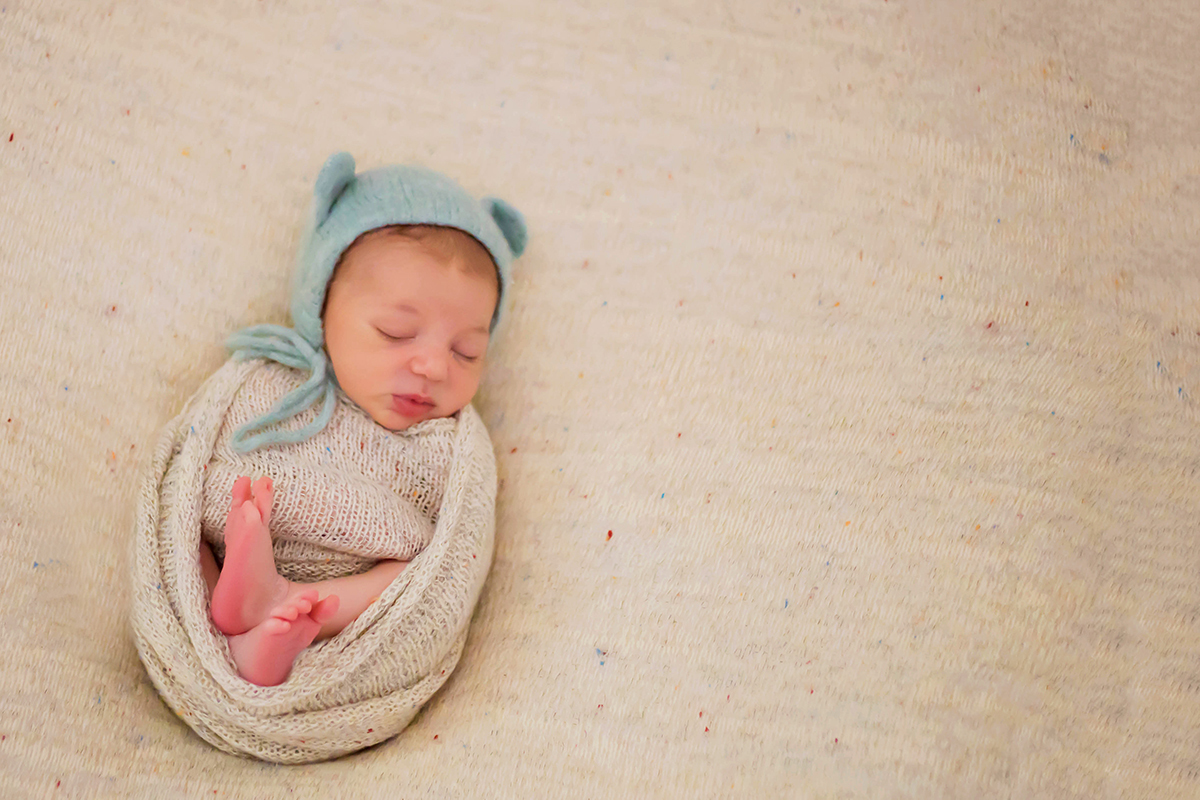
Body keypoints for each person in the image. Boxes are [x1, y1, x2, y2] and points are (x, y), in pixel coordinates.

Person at [190, 153, 526, 686]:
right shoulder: (271, 380)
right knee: (202, 518)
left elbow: (456, 555)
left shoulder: (449, 441)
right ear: (320, 307)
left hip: (350, 604)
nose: (434, 366)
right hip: (239, 553)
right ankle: (229, 619)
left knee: (411, 576)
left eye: (466, 352)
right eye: (395, 332)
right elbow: (183, 477)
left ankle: (279, 620)